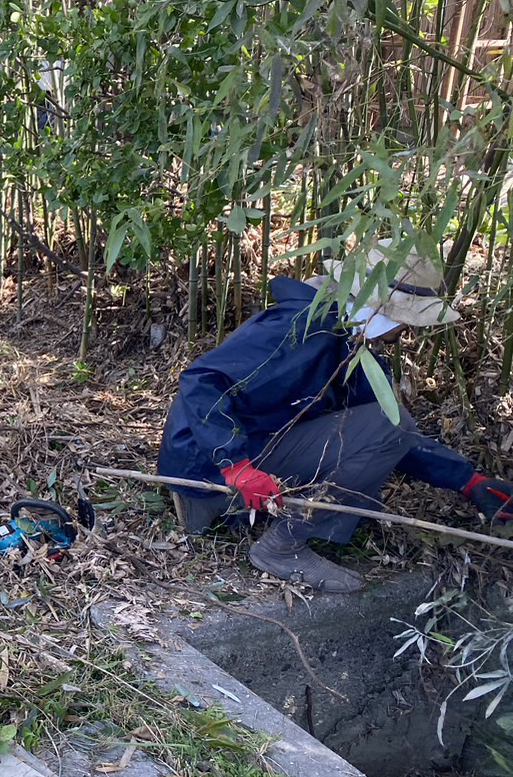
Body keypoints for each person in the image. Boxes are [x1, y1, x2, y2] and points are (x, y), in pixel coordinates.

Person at [159, 241, 513, 593]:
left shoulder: (348, 342)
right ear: (381, 311)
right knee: (391, 424)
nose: (406, 332)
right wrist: (235, 464)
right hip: (204, 473)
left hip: (247, 453)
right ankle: (281, 547)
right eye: (406, 322)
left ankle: (278, 527)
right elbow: (201, 382)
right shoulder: (299, 329)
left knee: (390, 424)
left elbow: (390, 434)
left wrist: (467, 481)